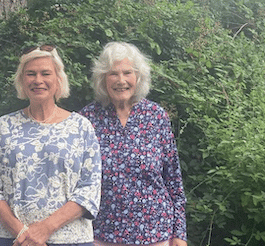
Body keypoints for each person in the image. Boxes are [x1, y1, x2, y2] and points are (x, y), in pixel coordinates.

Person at [0, 44, 102, 246]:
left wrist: (44, 229)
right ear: (21, 80)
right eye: (30, 74)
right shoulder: (4, 126)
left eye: (45, 73)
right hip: (15, 240)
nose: (38, 80)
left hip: (71, 239)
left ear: (58, 79)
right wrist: (22, 233)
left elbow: (90, 189)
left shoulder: (81, 127)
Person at [79, 42, 187, 246]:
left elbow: (173, 180)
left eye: (127, 73)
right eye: (113, 74)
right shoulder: (86, 119)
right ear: (103, 79)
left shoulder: (156, 116)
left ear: (138, 77)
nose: (121, 80)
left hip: (155, 234)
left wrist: (180, 234)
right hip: (101, 235)